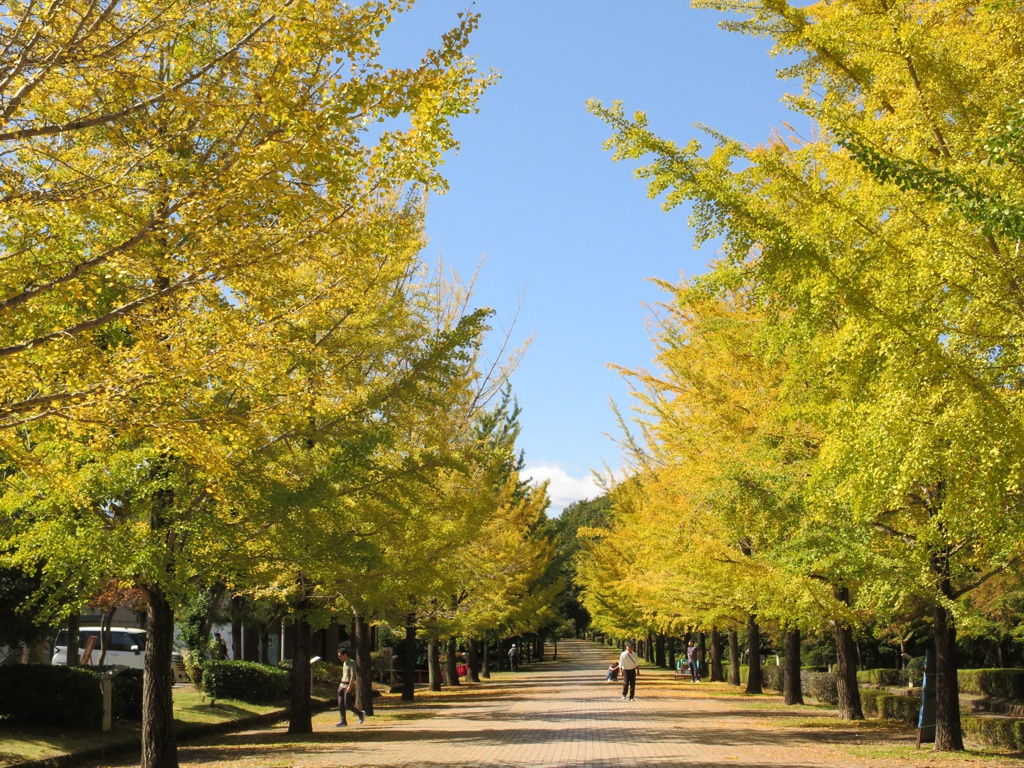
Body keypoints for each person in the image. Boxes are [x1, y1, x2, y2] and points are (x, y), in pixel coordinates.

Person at [336, 647, 365, 727]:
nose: (339, 658)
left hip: (347, 685)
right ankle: (343, 721)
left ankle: (360, 713)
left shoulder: (352, 662)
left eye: (340, 656)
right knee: (340, 704)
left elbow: (353, 675)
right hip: (341, 685)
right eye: (338, 656)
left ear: (345, 654)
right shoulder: (344, 663)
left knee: (347, 704)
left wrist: (350, 686)